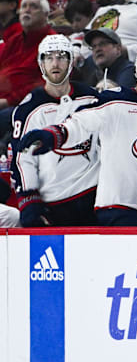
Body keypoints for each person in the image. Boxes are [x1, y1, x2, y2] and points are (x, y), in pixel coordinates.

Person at [18, 42, 137, 226]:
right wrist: (56, 134)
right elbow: (83, 121)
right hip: (120, 207)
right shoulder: (114, 99)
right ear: (136, 67)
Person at [11, 35, 99, 227]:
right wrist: (29, 199)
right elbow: (22, 159)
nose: (55, 63)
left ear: (70, 61)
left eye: (61, 57)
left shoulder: (92, 97)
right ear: (41, 63)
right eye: (49, 57)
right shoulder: (28, 108)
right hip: (55, 201)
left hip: (94, 198)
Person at [0, 0, 56, 109]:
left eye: (34, 6)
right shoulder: (15, 40)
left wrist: (8, 101)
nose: (27, 10)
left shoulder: (52, 43)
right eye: (24, 6)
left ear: (46, 15)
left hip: (24, 106)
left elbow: (46, 84)